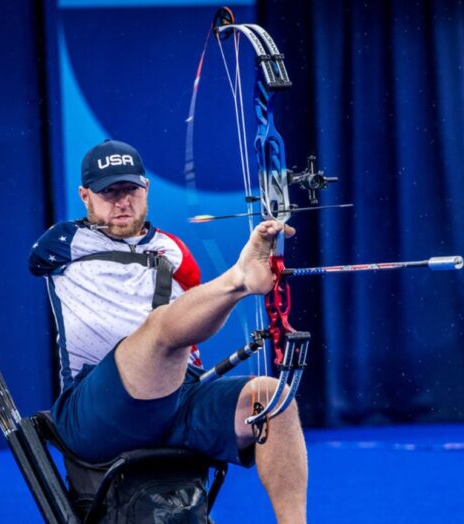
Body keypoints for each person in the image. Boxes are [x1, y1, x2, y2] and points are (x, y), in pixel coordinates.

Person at [29, 139, 307, 524]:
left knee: (273, 399)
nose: (121, 202)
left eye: (130, 190)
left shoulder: (174, 251)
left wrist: (228, 296)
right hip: (95, 410)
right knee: (160, 326)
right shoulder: (63, 244)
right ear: (85, 196)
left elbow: (197, 324)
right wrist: (237, 282)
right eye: (108, 192)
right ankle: (239, 277)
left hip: (176, 397)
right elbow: (35, 259)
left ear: (146, 189)